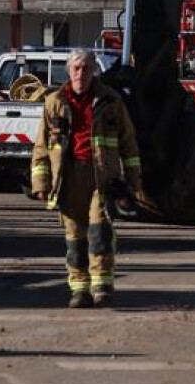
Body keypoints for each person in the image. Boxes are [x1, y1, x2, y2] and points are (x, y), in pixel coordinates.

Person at [29, 49, 144, 309]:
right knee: (75, 238)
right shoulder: (54, 102)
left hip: (102, 178)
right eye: (76, 68)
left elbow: (128, 143)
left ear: (94, 71)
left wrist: (134, 181)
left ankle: (102, 286)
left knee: (99, 232)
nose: (80, 73)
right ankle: (79, 289)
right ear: (69, 71)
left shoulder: (111, 101)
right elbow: (41, 147)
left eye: (86, 68)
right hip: (68, 179)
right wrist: (41, 184)